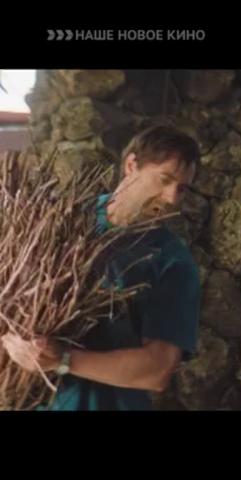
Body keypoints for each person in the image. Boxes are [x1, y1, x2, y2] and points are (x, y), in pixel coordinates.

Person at [1, 125, 202, 410]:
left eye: (181, 189)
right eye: (165, 179)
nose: (171, 198)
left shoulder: (171, 261)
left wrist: (63, 360)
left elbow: (157, 371)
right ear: (131, 165)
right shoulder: (61, 218)